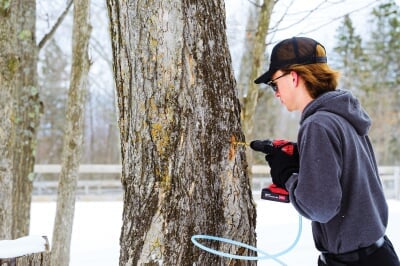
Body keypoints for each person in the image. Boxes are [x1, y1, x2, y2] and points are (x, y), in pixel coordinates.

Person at [250, 36, 400, 266]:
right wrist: (305, 158)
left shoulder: (318, 124)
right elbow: (346, 171)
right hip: (375, 254)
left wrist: (287, 174)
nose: (275, 92)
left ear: (293, 76)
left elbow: (319, 207)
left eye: (274, 83)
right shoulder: (342, 117)